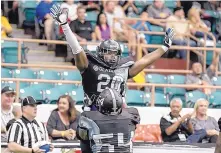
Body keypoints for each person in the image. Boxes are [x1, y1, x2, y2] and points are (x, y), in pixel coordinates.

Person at [50, 3, 174, 111]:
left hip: (118, 109)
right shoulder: (90, 64)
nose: (112, 55)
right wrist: (65, 26)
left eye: (114, 53)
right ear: (100, 53)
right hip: (95, 109)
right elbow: (77, 49)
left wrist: (163, 48)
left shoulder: (123, 67)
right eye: (108, 52)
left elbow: (145, 61)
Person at [76, 88, 140, 153]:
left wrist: (87, 107)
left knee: (85, 138)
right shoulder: (132, 114)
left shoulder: (87, 117)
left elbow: (80, 136)